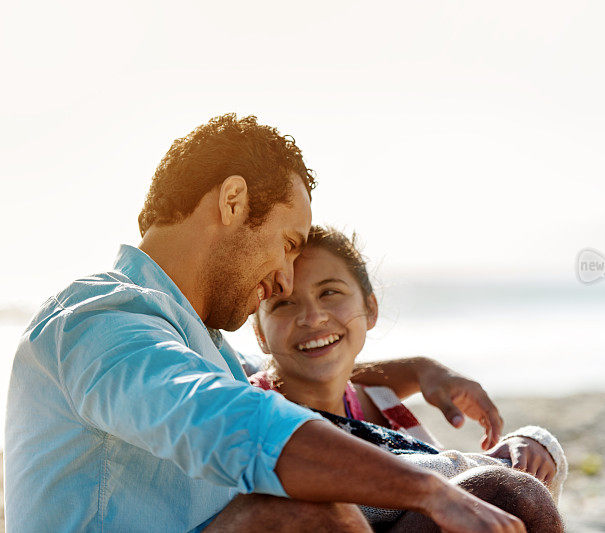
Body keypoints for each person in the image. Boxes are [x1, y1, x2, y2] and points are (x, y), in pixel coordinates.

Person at [3, 114, 537, 532]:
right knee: (306, 518)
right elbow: (228, 420)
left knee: (506, 495)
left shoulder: (201, 344)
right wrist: (430, 491)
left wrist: (419, 372)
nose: (284, 279)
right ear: (233, 201)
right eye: (288, 244)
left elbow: (293, 372)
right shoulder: (100, 320)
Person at [251, 225, 567, 527]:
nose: (312, 317)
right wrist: (499, 468)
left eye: (330, 292)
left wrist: (530, 451)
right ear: (260, 334)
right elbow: (351, 488)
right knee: (513, 493)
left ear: (371, 308)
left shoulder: (381, 403)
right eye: (283, 303)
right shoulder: (253, 412)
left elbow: (442, 481)